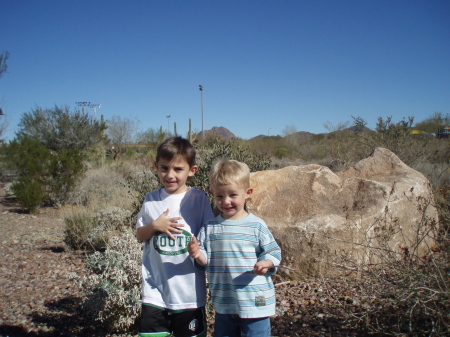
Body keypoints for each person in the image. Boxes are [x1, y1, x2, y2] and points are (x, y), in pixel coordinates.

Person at [188, 158, 282, 337]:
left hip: (255, 303)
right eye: (220, 196)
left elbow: (273, 251)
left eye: (233, 195)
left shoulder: (256, 225)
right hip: (224, 302)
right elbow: (207, 260)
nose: (226, 201)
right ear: (212, 194)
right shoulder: (209, 228)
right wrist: (196, 253)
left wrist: (266, 263)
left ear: (248, 192)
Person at [135, 137, 214, 337]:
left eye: (178, 169)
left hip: (189, 294)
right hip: (154, 291)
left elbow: (210, 237)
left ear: (192, 170)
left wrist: (199, 251)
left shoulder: (199, 199)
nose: (170, 175)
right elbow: (139, 234)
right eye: (164, 168)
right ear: (156, 166)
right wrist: (154, 226)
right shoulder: (151, 199)